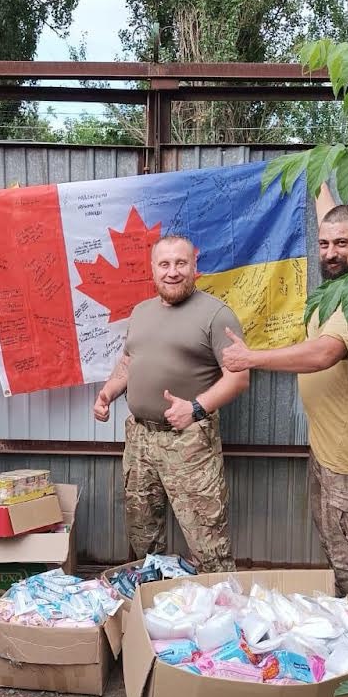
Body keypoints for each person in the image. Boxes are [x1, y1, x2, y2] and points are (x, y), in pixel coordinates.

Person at [222, 184, 348, 596]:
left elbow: (324, 353)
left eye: (341, 243)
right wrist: (316, 179)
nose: (330, 252)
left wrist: (252, 359)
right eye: (323, 243)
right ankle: (346, 625)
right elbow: (332, 217)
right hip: (329, 443)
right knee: (334, 544)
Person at [93, 234, 249, 572]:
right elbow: (128, 362)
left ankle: (219, 612)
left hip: (189, 443)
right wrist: (108, 392)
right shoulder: (141, 312)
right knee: (142, 540)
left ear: (196, 266)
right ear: (153, 269)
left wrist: (195, 409)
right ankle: (150, 614)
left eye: (181, 263)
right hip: (140, 441)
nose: (172, 271)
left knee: (209, 543)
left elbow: (239, 377)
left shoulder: (216, 315)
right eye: (164, 264)